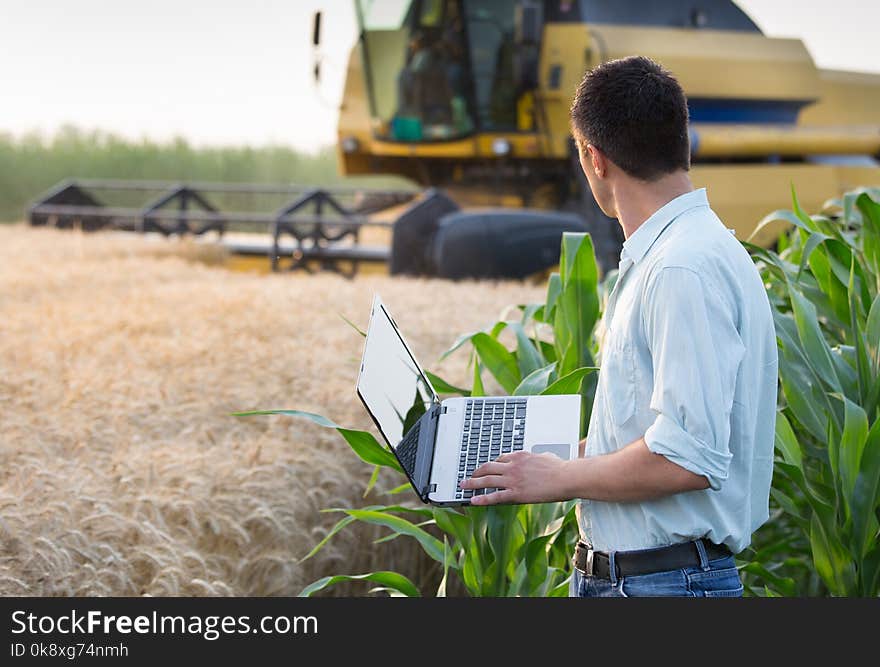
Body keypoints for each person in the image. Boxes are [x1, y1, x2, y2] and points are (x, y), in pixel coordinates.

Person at [460, 55, 778, 598]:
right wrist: (550, 461)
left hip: (665, 586)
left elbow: (688, 456)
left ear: (594, 158)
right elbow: (653, 437)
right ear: (682, 140)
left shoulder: (682, 267)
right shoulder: (676, 253)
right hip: (654, 581)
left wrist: (559, 479)